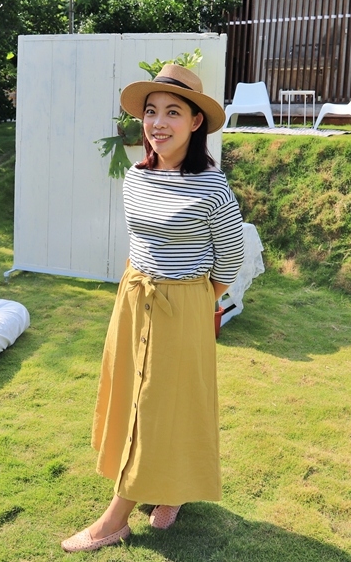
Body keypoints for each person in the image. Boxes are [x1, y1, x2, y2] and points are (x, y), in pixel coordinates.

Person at [62, 63, 245, 552]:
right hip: (134, 296)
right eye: (150, 112)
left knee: (162, 403)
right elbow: (140, 241)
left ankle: (115, 519)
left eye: (172, 112)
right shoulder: (137, 176)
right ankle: (168, 488)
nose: (158, 123)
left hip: (182, 304)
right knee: (135, 397)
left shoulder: (212, 185)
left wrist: (192, 301)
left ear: (195, 122)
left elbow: (230, 259)